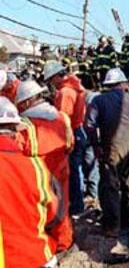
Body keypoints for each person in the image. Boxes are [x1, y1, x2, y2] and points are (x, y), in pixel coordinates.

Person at [0, 96, 64, 267]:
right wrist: (62, 242)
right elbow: (57, 215)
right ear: (15, 131)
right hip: (35, 257)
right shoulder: (36, 167)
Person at [84, 68, 129, 237]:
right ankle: (128, 221)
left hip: (109, 148)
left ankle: (112, 226)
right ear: (124, 83)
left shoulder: (98, 100)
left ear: (107, 85)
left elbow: (89, 125)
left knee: (109, 187)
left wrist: (95, 145)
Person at [16, 80, 75, 252]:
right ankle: (64, 243)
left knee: (40, 211)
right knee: (62, 209)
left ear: (27, 102)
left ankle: (45, 246)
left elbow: (20, 152)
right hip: (62, 168)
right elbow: (70, 144)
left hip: (38, 173)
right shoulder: (62, 117)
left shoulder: (25, 125)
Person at [43, 60, 95, 216]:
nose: (51, 83)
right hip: (82, 128)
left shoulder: (65, 92)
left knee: (74, 169)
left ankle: (77, 206)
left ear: (56, 76)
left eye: (51, 79)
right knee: (89, 164)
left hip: (73, 131)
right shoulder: (75, 86)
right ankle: (92, 195)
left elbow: (63, 119)